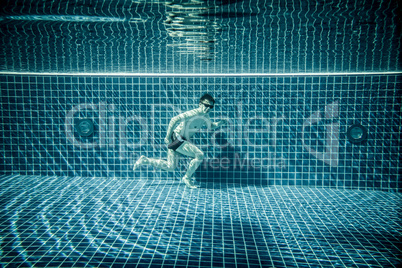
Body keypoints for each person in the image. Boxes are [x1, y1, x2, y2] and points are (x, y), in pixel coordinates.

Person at [133, 93, 227, 188]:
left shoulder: (205, 116)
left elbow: (211, 126)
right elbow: (174, 119)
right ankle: (187, 178)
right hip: (177, 138)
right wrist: (168, 136)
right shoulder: (193, 113)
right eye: (206, 105)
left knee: (171, 166)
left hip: (179, 139)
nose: (208, 109)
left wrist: (220, 123)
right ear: (200, 104)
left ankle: (145, 160)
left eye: (211, 107)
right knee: (199, 155)